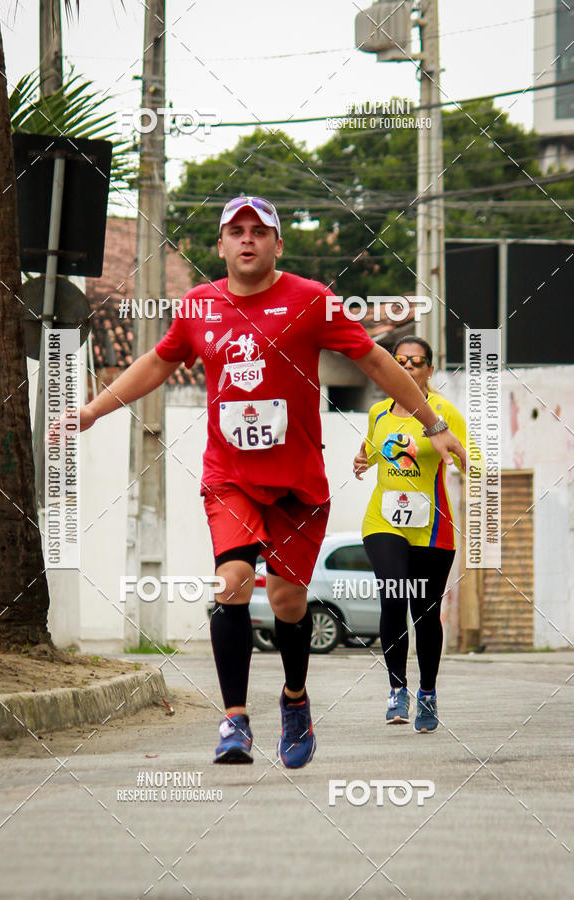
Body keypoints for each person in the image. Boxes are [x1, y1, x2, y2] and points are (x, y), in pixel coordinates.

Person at [53, 197, 465, 767]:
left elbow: (374, 361)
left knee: (288, 600)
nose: (247, 239)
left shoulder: (311, 300)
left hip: (298, 483)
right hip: (232, 478)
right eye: (236, 231)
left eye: (259, 231)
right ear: (221, 245)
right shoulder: (198, 305)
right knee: (232, 583)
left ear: (277, 244)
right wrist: (93, 411)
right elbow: (158, 362)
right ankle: (235, 720)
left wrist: (433, 423)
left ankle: (295, 699)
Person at [353, 335, 467, 733]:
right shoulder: (378, 412)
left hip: (431, 528)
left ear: (430, 369)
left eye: (416, 362)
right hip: (383, 521)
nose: (406, 367)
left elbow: (474, 459)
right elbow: (372, 449)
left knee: (425, 613)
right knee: (393, 595)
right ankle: (397, 690)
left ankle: (428, 693)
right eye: (399, 360)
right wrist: (362, 459)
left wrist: (466, 459)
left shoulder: (444, 412)